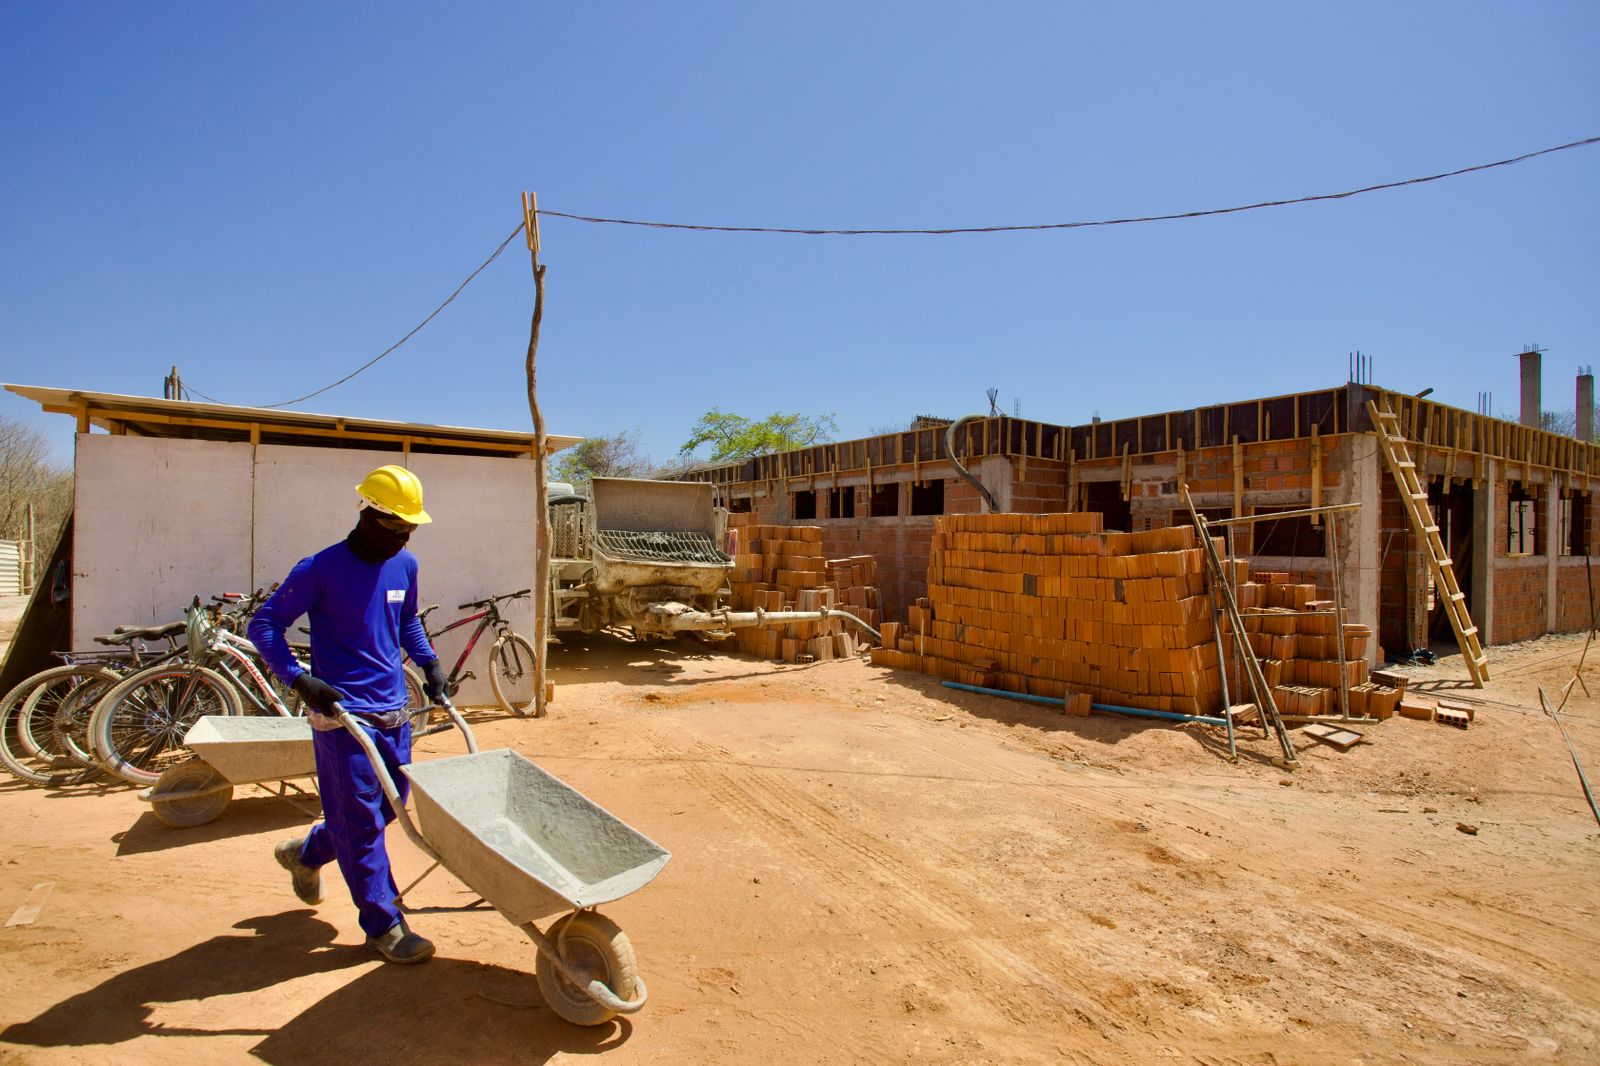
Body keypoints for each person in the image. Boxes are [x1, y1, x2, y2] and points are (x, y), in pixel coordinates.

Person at [248, 464, 450, 964]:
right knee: (360, 826)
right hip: (341, 718)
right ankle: (385, 925)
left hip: (394, 714)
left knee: (388, 810)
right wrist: (300, 679)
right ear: (369, 514)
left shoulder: (405, 567)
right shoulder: (318, 568)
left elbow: (406, 622)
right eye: (395, 527)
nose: (402, 537)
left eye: (410, 529)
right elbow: (265, 626)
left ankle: (308, 852)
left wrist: (429, 662)